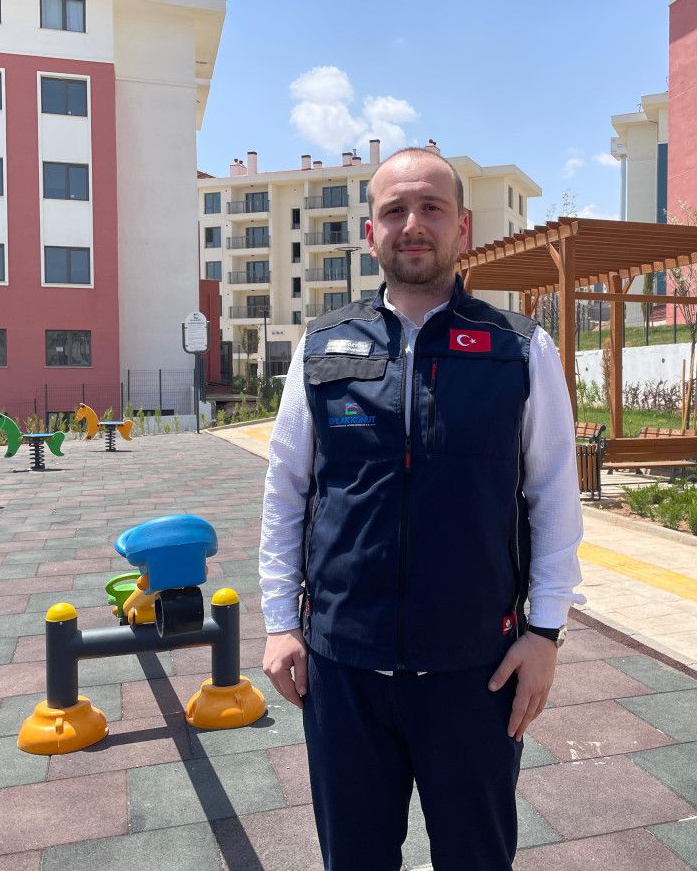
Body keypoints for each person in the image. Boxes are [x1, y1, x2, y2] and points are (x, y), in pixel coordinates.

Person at [259, 147, 584, 870]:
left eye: (431, 208)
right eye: (395, 210)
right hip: (344, 666)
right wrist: (281, 622)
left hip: (476, 670)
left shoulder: (518, 350)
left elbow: (554, 497)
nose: (413, 224)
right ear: (370, 232)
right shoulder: (321, 348)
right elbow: (286, 492)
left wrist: (545, 634)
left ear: (462, 226)